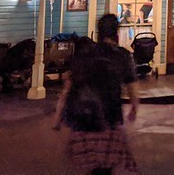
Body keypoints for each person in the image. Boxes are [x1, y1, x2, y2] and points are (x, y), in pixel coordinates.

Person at [56, 13, 140, 175]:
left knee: (90, 168)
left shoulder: (85, 53)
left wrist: (59, 113)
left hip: (83, 120)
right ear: (116, 33)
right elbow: (133, 88)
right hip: (109, 118)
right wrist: (134, 109)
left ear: (98, 32)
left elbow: (68, 86)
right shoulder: (122, 55)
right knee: (106, 167)